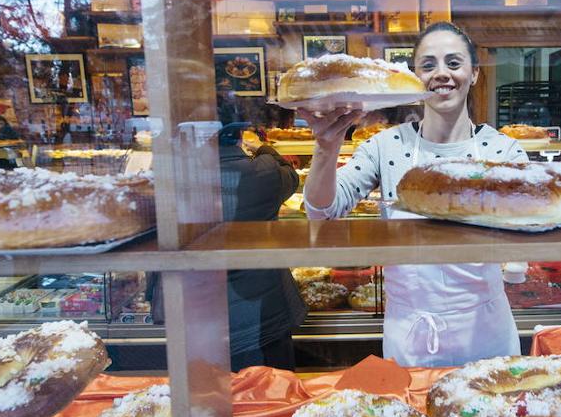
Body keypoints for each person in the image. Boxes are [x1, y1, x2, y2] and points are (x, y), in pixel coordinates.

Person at [300, 22, 529, 367]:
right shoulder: (385, 146)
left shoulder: (505, 153)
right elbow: (322, 212)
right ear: (414, 76)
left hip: (485, 330)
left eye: (454, 63)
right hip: (410, 333)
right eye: (428, 65)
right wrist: (325, 147)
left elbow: (528, 234)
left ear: (475, 74)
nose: (442, 74)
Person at [218, 122, 306, 371]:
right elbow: (290, 174)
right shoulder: (263, 173)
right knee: (272, 391)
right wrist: (262, 147)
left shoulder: (178, 176)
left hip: (200, 315)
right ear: (238, 138)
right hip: (263, 310)